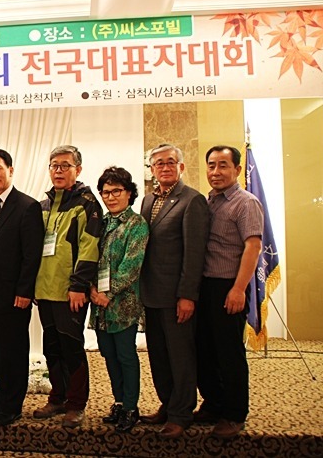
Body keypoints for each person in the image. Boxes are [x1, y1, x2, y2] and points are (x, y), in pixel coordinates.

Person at [138, 144, 209, 439]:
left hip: (176, 296)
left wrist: (187, 295)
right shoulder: (147, 200)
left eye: (170, 162)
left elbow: (194, 254)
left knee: (180, 357)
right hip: (151, 294)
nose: (164, 168)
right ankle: (167, 405)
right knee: (159, 355)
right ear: (152, 169)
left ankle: (181, 414)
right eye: (158, 163)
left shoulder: (192, 200)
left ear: (181, 166)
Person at [33, 145, 103, 428]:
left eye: (65, 165)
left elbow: (90, 247)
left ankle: (76, 404)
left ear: (78, 169)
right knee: (51, 348)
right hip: (44, 290)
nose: (58, 171)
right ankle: (58, 397)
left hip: (70, 291)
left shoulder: (87, 204)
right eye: (54, 166)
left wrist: (79, 285)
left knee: (72, 347)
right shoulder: (44, 205)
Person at [196, 145, 263, 439]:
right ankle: (213, 404)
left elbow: (253, 246)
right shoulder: (209, 201)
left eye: (223, 165)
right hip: (204, 286)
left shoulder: (246, 203)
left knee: (229, 353)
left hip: (228, 286)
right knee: (204, 349)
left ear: (237, 169)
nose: (216, 171)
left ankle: (234, 414)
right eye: (211, 165)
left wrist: (238, 289)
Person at [0, 149, 45, 427]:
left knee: (13, 352)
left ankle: (12, 406)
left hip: (14, 295)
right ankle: (0, 399)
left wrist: (25, 291)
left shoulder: (27, 206)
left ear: (10, 170)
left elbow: (31, 254)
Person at [89, 166, 149, 433]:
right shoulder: (101, 223)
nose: (110, 197)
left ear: (129, 193)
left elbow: (131, 266)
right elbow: (89, 256)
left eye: (116, 191)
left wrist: (108, 293)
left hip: (123, 304)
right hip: (98, 303)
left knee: (125, 355)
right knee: (109, 355)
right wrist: (92, 290)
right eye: (106, 192)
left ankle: (131, 407)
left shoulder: (137, 224)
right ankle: (119, 401)